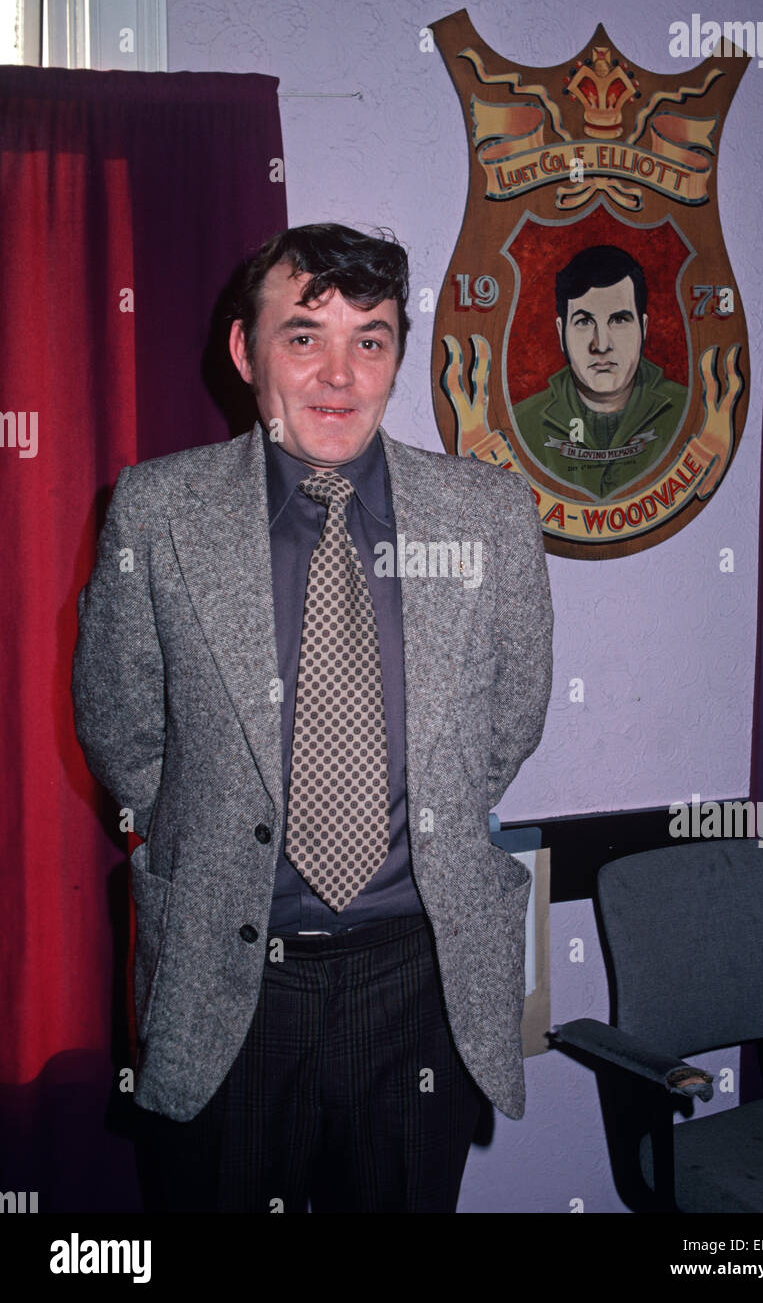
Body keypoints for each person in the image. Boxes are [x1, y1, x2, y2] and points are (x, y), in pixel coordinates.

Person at [72, 222, 554, 1214]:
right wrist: (214, 825)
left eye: (369, 339)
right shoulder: (158, 512)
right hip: (229, 980)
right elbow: (121, 724)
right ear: (247, 352)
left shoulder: (489, 516)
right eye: (304, 336)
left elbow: (508, 722)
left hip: (418, 981)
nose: (339, 375)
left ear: (395, 358)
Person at [512, 244, 686, 497]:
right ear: (561, 332)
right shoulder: (520, 426)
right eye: (584, 322)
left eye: (619, 320)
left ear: (643, 328)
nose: (601, 345)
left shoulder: (688, 413)